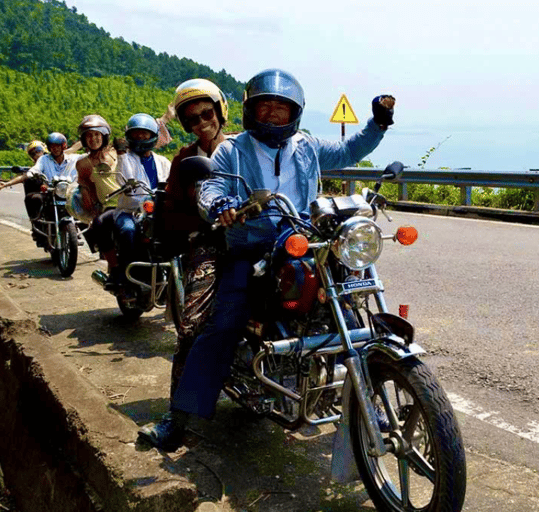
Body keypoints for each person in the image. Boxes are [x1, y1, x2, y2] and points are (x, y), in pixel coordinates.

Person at [138, 68, 396, 450]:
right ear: (250, 111)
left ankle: (367, 399)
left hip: (304, 242)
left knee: (351, 305)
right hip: (251, 248)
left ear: (295, 112)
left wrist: (377, 123)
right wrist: (222, 205)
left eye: (281, 108)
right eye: (265, 108)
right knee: (221, 324)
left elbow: (346, 151)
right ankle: (179, 417)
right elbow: (211, 186)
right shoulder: (232, 149)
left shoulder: (306, 147)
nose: (273, 115)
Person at [163, 78, 229, 399]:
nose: (202, 123)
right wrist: (201, 226)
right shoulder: (183, 159)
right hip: (209, 245)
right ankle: (179, 410)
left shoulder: (243, 148)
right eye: (193, 119)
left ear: (220, 110)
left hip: (254, 239)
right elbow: (171, 209)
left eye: (207, 114)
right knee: (192, 325)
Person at [94, 113, 170, 288]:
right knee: (128, 231)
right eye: (136, 134)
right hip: (130, 212)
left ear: (153, 136)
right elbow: (124, 179)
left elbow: (171, 181)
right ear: (129, 136)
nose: (141, 137)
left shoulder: (163, 161)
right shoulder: (126, 158)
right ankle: (125, 276)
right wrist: (120, 154)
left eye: (145, 133)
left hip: (156, 211)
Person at [0, 133, 81, 231]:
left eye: (38, 150)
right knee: (34, 198)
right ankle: (37, 225)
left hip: (67, 190)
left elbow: (83, 155)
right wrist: (7, 184)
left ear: (63, 147)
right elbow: (30, 173)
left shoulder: (71, 157)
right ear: (49, 148)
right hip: (50, 193)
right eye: (33, 153)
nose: (36, 154)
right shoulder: (43, 160)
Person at [75, 114, 119, 256]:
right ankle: (113, 269)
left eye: (97, 134)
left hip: (135, 200)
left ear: (104, 135)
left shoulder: (117, 151)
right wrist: (93, 212)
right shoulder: (83, 164)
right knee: (101, 226)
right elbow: (87, 191)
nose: (93, 139)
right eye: (89, 135)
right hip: (111, 205)